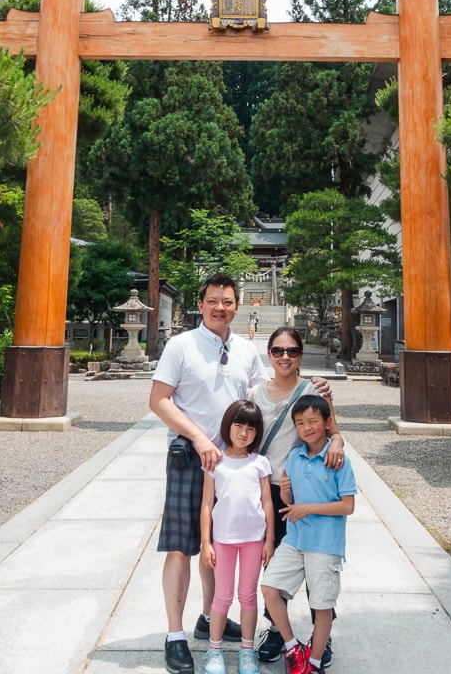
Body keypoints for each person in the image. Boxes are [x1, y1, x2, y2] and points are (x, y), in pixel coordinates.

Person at [149, 273, 332, 674]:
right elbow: (158, 400)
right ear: (200, 305)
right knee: (182, 546)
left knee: (223, 542)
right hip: (191, 457)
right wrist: (200, 439)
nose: (220, 307)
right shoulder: (180, 346)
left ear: (237, 305)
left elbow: (266, 395)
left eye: (227, 301)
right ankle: (175, 634)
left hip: (236, 465)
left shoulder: (247, 350)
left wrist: (312, 386)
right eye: (213, 300)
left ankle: (207, 617)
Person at [249, 327, 344, 667]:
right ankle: (276, 629)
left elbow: (334, 430)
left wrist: (336, 442)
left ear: (300, 354)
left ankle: (323, 634)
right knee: (275, 562)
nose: (285, 357)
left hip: (305, 492)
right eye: (277, 351)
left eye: (291, 351)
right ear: (269, 354)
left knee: (316, 561)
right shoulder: (256, 392)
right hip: (266, 489)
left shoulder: (314, 389)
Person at [261, 394, 356, 674]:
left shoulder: (338, 460)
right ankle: (293, 647)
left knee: (322, 604)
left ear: (328, 423)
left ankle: (313, 664)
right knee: (269, 587)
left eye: (313, 421)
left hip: (325, 544)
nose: (306, 428)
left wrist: (309, 508)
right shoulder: (294, 456)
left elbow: (348, 506)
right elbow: (290, 501)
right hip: (295, 539)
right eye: (300, 423)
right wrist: (284, 490)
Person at [199, 400, 273, 674]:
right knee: (222, 595)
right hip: (223, 539)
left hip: (254, 539)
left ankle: (247, 651)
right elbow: (207, 504)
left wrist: (269, 540)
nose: (244, 432)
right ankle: (214, 650)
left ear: (257, 432)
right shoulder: (215, 461)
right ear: (227, 426)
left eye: (251, 428)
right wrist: (206, 543)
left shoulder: (260, 463)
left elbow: (267, 504)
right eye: (238, 425)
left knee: (248, 595)